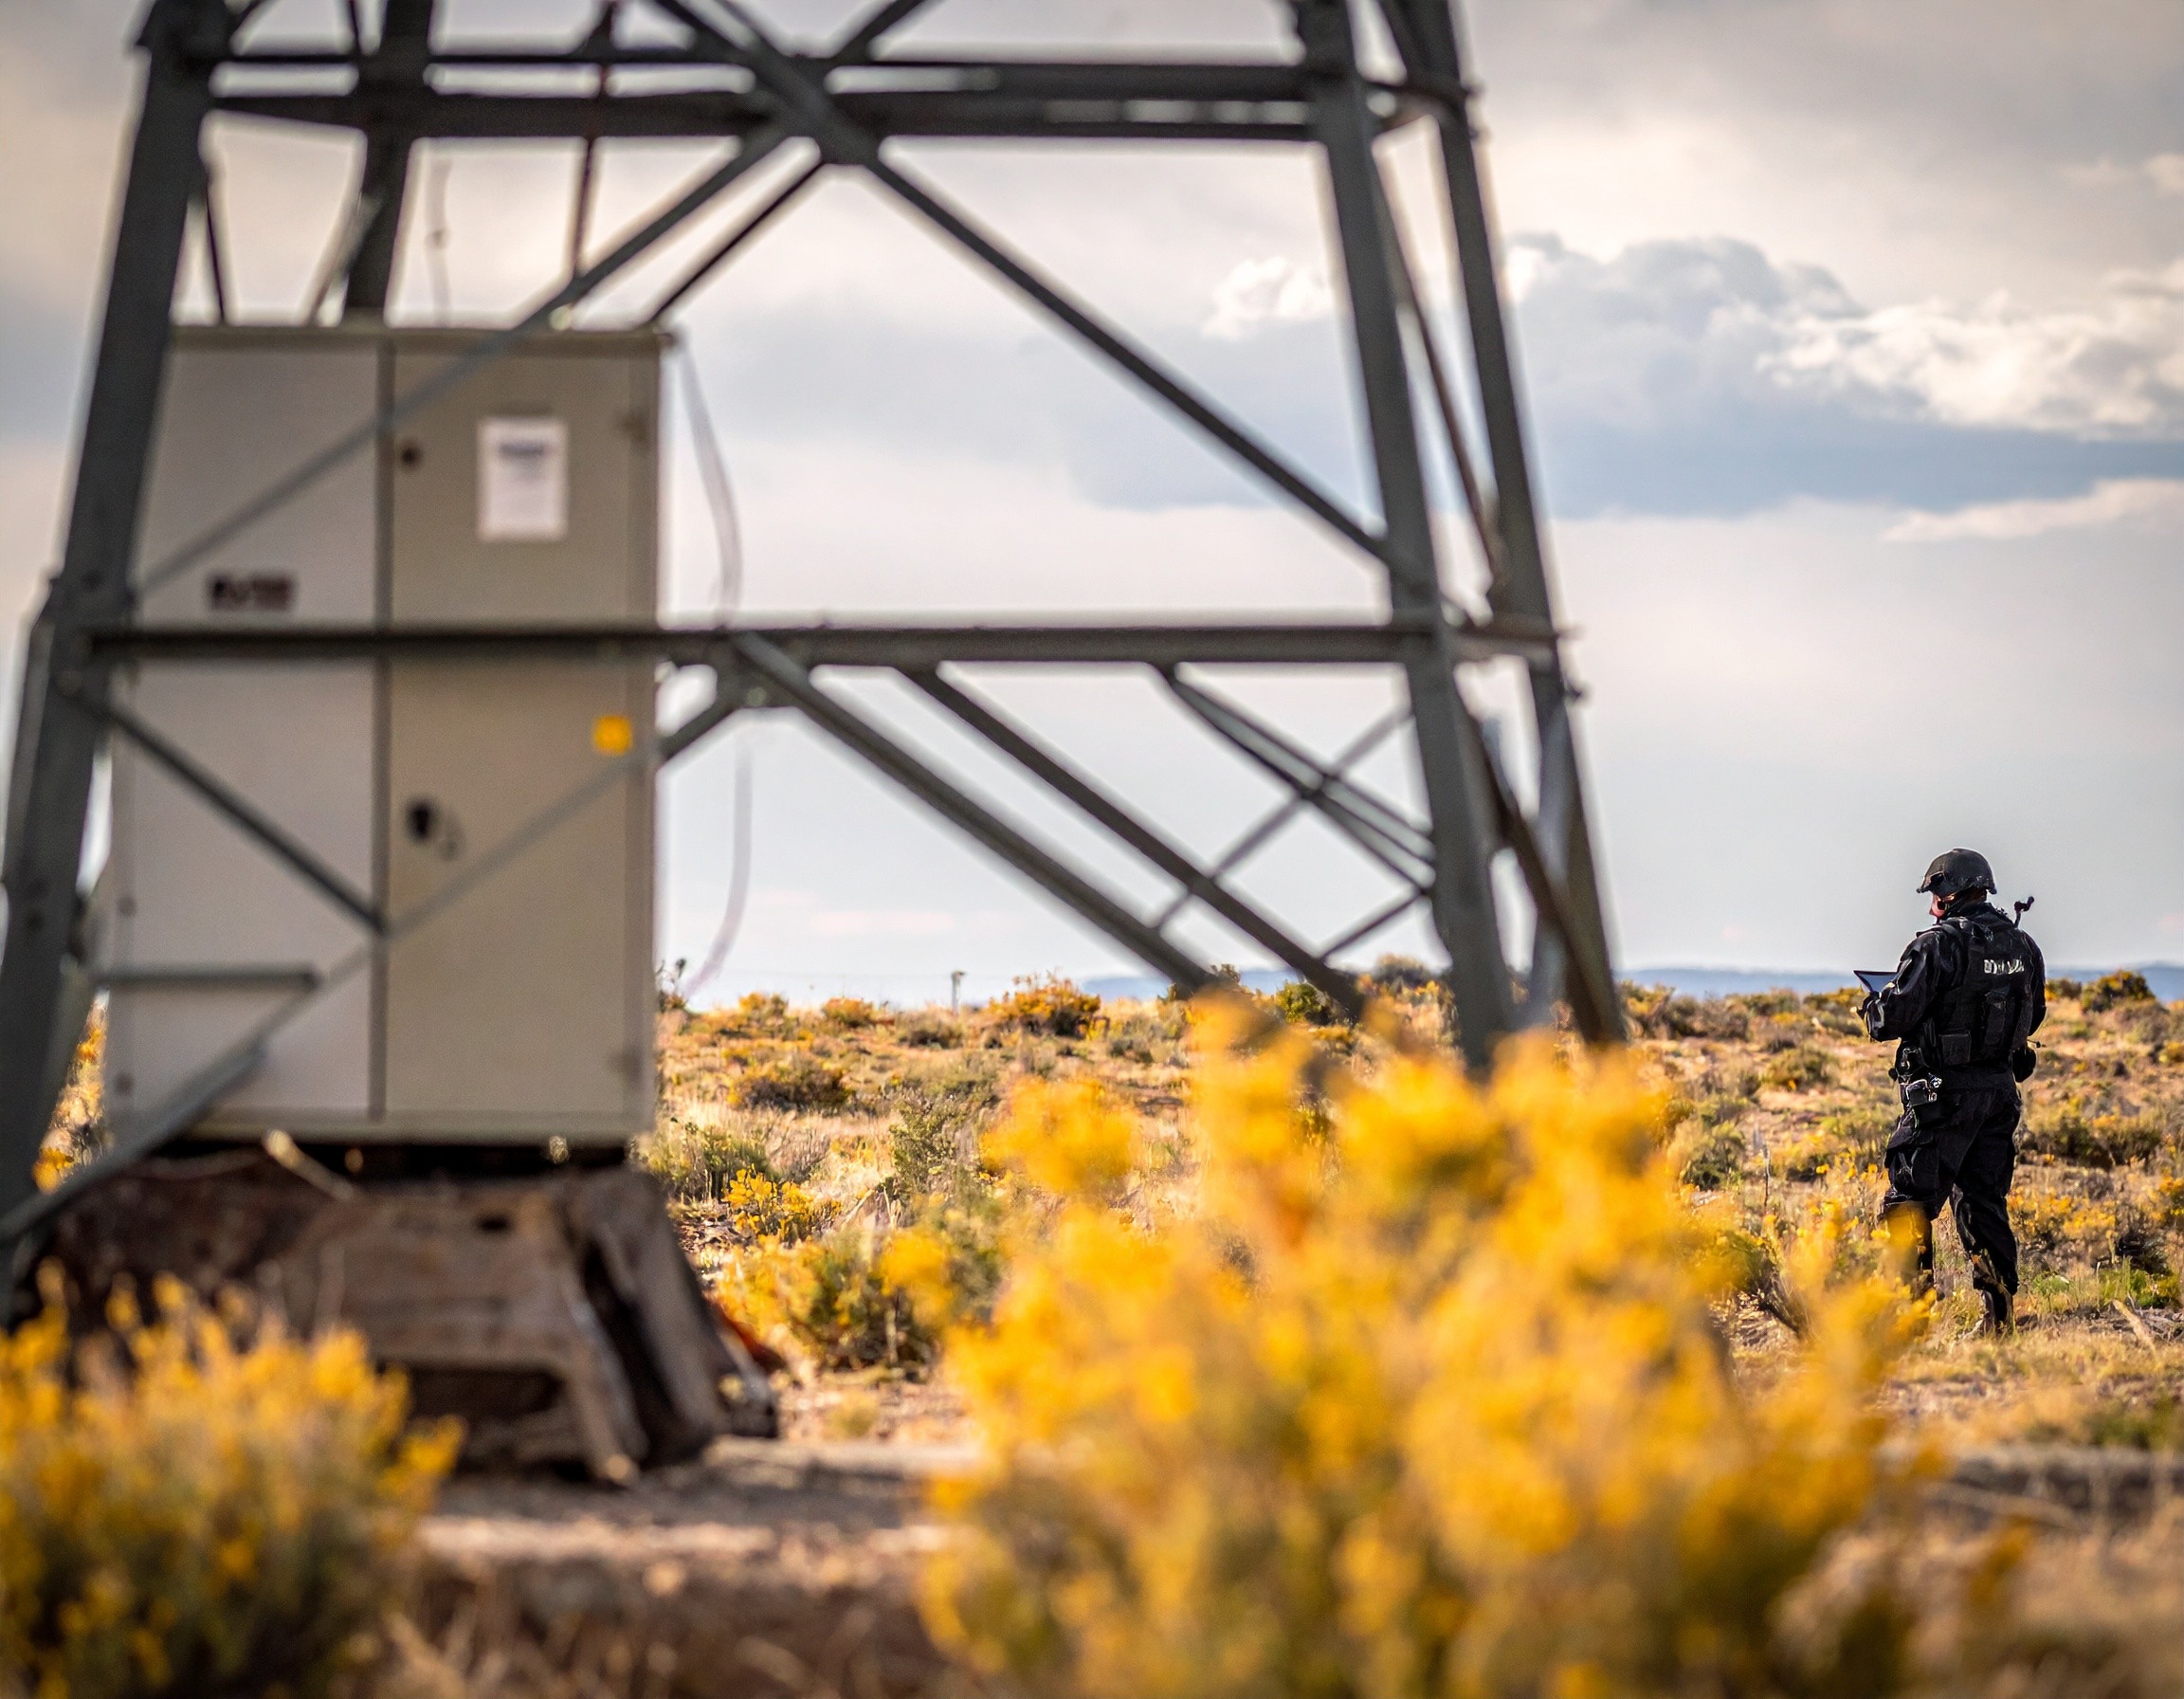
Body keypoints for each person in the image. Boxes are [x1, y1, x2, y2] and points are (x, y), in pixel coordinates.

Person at [1860, 849, 2045, 1334]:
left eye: (1934, 896)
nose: (1931, 907)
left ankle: (1909, 1321)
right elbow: (2036, 1015)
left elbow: (1892, 1019)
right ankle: (1999, 1320)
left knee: (1909, 1203)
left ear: (1948, 893)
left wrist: (1872, 1006)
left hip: (1942, 1099)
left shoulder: (1936, 947)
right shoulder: (2023, 945)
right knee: (1984, 1202)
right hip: (2000, 1096)